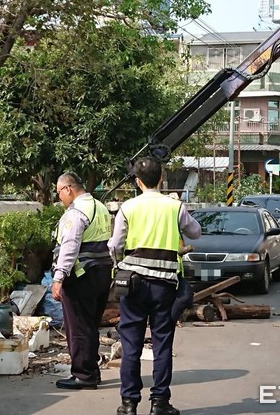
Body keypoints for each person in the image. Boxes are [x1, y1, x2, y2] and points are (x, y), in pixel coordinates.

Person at [108, 157, 201, 415]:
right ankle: (159, 403)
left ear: (138, 182)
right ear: (161, 178)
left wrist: (121, 263)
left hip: (134, 286)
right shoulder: (174, 206)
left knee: (131, 345)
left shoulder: (128, 207)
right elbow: (196, 233)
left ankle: (129, 404)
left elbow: (114, 245)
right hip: (165, 286)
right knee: (162, 344)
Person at [52, 172, 113, 390]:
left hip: (81, 276)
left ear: (68, 189)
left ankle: (83, 374)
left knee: (77, 326)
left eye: (59, 192)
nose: (60, 198)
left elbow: (69, 247)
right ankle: (91, 371)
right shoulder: (101, 207)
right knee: (90, 325)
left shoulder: (76, 212)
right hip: (102, 273)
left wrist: (59, 278)